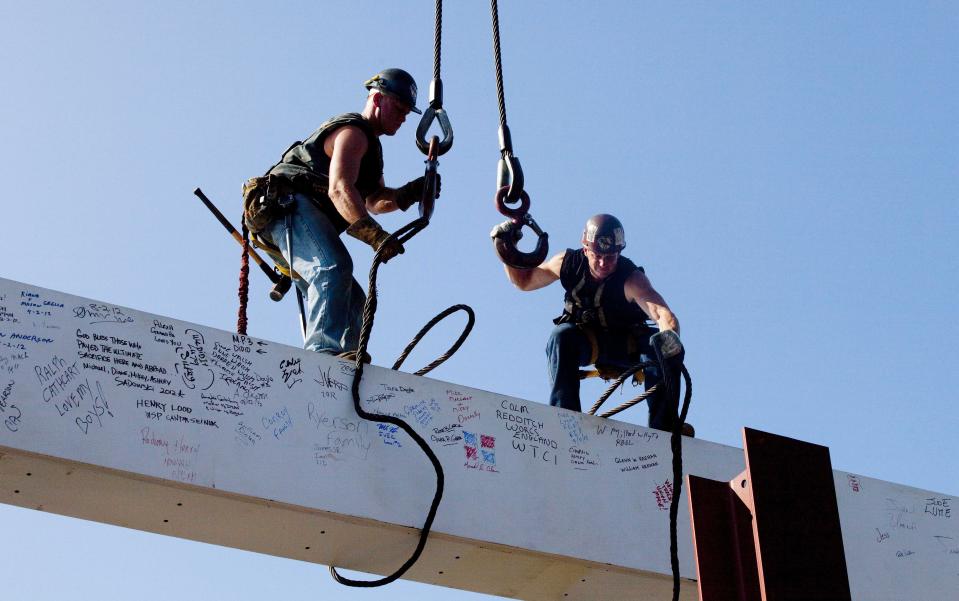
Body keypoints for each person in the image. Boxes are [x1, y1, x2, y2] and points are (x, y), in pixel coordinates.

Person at [255, 68, 436, 358]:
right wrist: (375, 236)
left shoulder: (371, 149)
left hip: (301, 214)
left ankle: (346, 363)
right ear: (377, 99)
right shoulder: (353, 132)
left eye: (406, 112)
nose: (403, 117)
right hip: (287, 205)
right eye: (399, 108)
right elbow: (339, 189)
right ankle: (322, 355)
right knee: (332, 268)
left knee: (354, 301)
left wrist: (410, 192)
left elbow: (375, 200)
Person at [496, 214, 685, 432]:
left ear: (619, 253)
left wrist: (670, 336)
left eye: (611, 257)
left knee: (660, 346)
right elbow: (524, 281)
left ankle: (665, 429)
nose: (604, 263)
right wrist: (505, 247)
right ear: (585, 248)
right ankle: (565, 419)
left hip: (628, 347)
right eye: (598, 255)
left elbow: (662, 314)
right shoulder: (567, 264)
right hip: (588, 343)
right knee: (561, 336)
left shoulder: (631, 279)